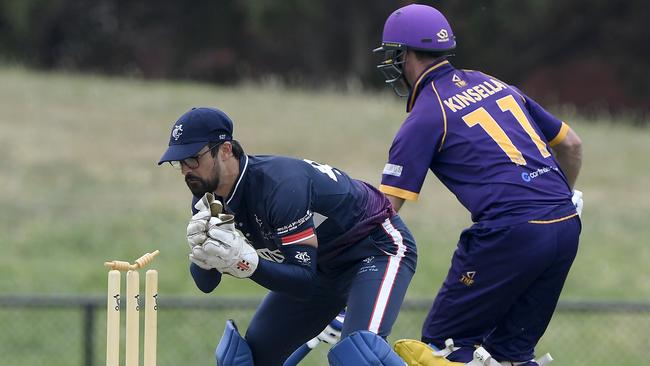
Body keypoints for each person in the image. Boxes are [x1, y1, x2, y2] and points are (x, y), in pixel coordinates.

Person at [373, 4, 583, 366]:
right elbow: (571, 144)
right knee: (511, 354)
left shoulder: (425, 114)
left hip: (510, 232)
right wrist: (565, 194)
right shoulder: (493, 82)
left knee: (442, 349)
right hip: (565, 225)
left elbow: (384, 209)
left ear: (404, 56)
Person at [158, 107, 417, 366]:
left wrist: (246, 264)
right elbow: (206, 285)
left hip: (373, 249)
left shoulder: (280, 187)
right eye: (179, 162)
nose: (185, 170)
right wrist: (202, 256)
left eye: (193, 159)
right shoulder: (207, 198)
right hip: (321, 266)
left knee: (361, 357)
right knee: (245, 359)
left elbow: (304, 281)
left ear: (225, 150)